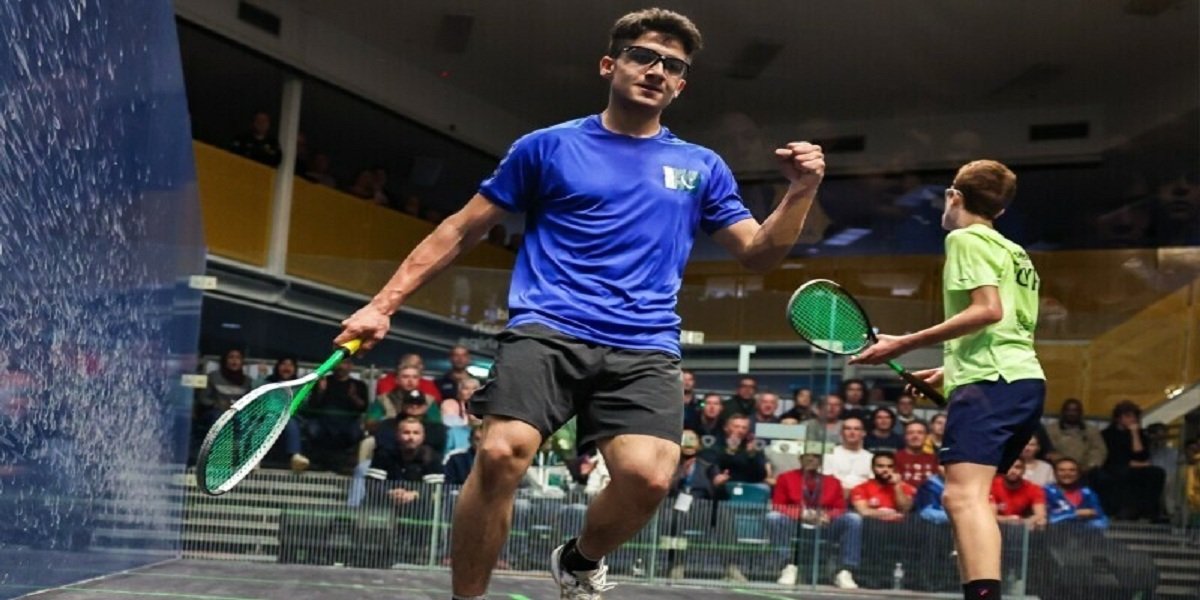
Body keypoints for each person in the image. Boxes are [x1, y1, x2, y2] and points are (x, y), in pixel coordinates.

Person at [333, 9, 825, 599]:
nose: (657, 71)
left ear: (681, 85)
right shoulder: (547, 147)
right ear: (609, 64)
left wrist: (801, 191)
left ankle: (579, 559)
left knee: (649, 478)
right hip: (547, 328)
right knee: (501, 453)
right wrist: (382, 305)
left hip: (644, 344)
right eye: (643, 56)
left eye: (672, 66)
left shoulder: (701, 167)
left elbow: (759, 254)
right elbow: (461, 229)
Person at [852, 159, 1044, 600]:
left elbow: (988, 311)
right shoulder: (1014, 250)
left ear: (954, 196)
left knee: (962, 498)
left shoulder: (964, 238)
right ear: (1000, 209)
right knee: (968, 498)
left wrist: (903, 344)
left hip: (991, 384)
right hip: (1021, 381)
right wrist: (948, 371)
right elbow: (1010, 327)